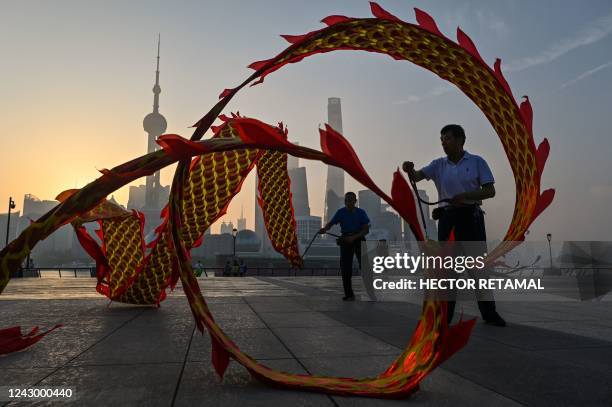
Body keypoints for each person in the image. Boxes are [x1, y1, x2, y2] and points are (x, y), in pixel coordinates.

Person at [403, 124, 506, 327]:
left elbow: (490, 191)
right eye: (441, 139)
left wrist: (466, 196)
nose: (443, 143)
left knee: (478, 270)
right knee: (447, 271)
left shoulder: (477, 162)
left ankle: (489, 313)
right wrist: (410, 169)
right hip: (448, 220)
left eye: (448, 138)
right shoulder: (438, 164)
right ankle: (444, 317)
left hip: (471, 218)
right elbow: (417, 177)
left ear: (461, 140)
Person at [319, 192, 370, 301]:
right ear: (344, 201)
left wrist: (354, 237)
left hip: (359, 240)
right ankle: (349, 294)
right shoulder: (340, 212)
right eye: (346, 200)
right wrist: (324, 229)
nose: (348, 202)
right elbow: (331, 223)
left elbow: (366, 230)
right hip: (345, 240)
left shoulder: (361, 213)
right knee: (346, 268)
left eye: (350, 200)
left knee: (365, 267)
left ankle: (370, 292)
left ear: (355, 201)